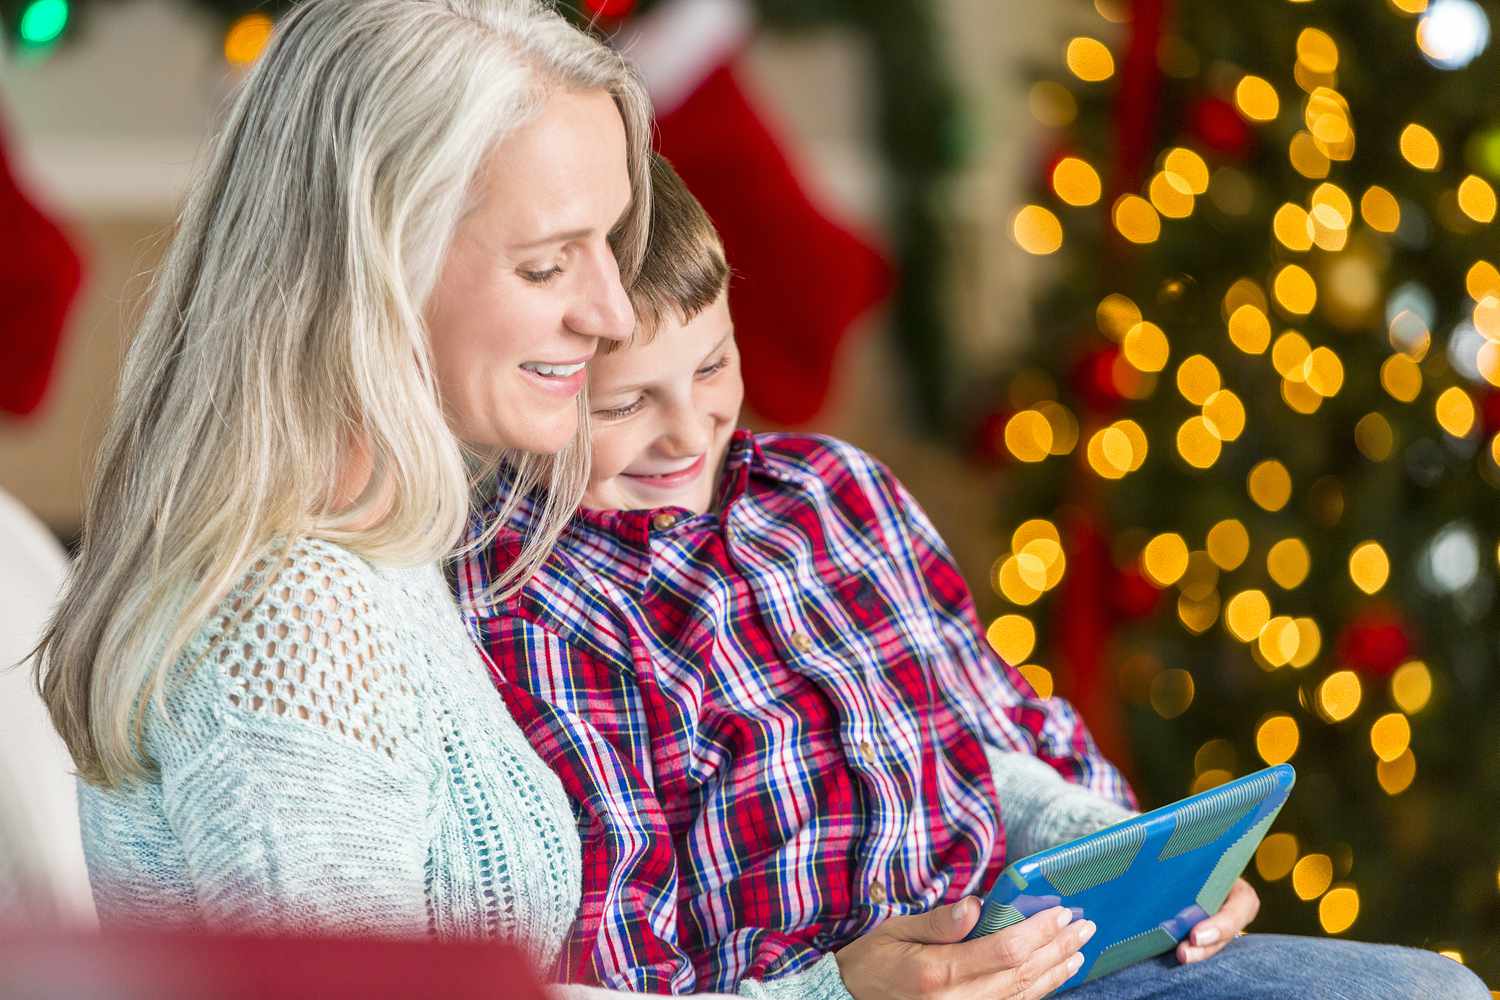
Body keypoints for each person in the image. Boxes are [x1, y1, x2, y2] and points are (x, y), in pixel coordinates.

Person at [459, 156, 1492, 1000]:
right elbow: (615, 942)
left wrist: (1145, 868)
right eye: (624, 404)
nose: (691, 430)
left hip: (1042, 958)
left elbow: (999, 733)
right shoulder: (522, 601)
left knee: (1428, 993)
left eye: (715, 366)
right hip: (832, 992)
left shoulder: (835, 493)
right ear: (532, 386)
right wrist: (837, 984)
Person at [30, 4, 735, 997]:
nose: (612, 311)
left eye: (608, 245)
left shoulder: (381, 545)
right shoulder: (294, 619)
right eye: (546, 263)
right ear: (377, 269)